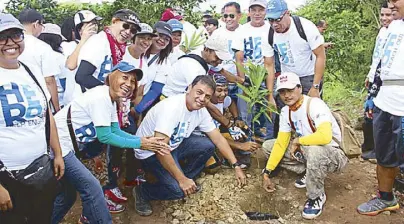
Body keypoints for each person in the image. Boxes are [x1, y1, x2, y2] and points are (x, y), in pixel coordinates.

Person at [132, 75, 247, 216]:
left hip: (174, 145)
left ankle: (185, 178)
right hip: (150, 152)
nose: (202, 98)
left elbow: (218, 138)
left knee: (208, 145)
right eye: (199, 92)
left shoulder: (201, 111)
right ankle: (143, 192)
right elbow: (160, 149)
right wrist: (181, 180)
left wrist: (235, 165)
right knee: (178, 190)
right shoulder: (172, 108)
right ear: (189, 89)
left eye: (207, 96)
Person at [0, 13, 64, 224]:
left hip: (39, 170)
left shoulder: (31, 70)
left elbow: (47, 116)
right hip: (6, 176)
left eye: (16, 35)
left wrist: (57, 154)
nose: (10, 43)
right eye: (2, 37)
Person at [261, 72, 348, 219]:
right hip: (308, 151)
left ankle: (316, 196)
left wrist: (298, 141)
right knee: (268, 146)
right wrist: (267, 172)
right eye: (282, 92)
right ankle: (309, 171)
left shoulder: (314, 105)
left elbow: (325, 136)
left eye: (290, 90)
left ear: (299, 88)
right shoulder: (286, 111)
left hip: (333, 154)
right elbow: (281, 143)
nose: (286, 95)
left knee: (314, 150)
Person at [357, 0, 404, 216]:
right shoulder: (392, 27)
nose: (392, 4)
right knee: (384, 153)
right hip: (385, 99)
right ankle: (386, 198)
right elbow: (379, 62)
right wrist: (372, 95)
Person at [262, 0, 325, 139]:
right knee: (283, 114)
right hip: (287, 78)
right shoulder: (269, 34)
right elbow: (269, 65)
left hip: (308, 76)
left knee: (310, 113)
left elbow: (320, 56)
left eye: (277, 19)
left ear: (287, 13)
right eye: (270, 20)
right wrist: (270, 95)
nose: (274, 24)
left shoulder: (305, 26)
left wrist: (315, 86)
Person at [233, 0, 273, 140]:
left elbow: (271, 62)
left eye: (260, 10)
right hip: (248, 77)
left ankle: (270, 142)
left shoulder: (271, 28)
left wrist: (270, 88)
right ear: (248, 12)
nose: (257, 13)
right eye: (253, 10)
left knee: (269, 109)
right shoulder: (242, 30)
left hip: (266, 75)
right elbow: (239, 58)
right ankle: (246, 146)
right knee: (246, 112)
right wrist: (243, 80)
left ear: (266, 11)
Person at [361, 2, 393, 160]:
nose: (384, 18)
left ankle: (379, 150)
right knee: (368, 113)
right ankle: (370, 148)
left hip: (384, 80)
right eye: (382, 15)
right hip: (375, 77)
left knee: (377, 114)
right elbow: (377, 57)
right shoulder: (382, 32)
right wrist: (370, 74)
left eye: (388, 15)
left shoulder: (395, 34)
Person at [209, 74, 261, 168]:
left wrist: (237, 118)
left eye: (225, 90)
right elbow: (215, 137)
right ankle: (225, 157)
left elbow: (231, 102)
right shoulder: (205, 106)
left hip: (217, 132)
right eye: (219, 90)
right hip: (207, 137)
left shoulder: (222, 99)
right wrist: (241, 145)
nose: (223, 94)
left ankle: (240, 155)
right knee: (213, 166)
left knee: (242, 128)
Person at [18, 9, 61, 113]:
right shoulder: (42, 47)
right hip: (38, 102)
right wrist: (56, 108)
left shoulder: (11, 45)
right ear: (36, 24)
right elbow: (49, 80)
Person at [162, 34, 232, 97]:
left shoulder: (204, 57)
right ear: (206, 49)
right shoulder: (193, 67)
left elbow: (221, 70)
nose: (219, 62)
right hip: (172, 99)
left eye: (222, 59)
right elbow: (198, 94)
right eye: (217, 57)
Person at [133, 21, 173, 116]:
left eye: (166, 39)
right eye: (160, 35)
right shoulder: (135, 49)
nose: (162, 40)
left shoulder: (165, 63)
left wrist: (137, 110)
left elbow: (155, 91)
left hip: (135, 103)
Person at [62, 10, 101, 105]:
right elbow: (71, 65)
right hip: (74, 100)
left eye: (95, 24)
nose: (94, 27)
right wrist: (84, 39)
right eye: (89, 24)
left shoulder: (99, 45)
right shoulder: (69, 45)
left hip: (94, 99)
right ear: (79, 29)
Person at [38, 23, 67, 108]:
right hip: (59, 103)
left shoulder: (36, 55)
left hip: (41, 103)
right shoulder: (60, 58)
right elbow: (64, 82)